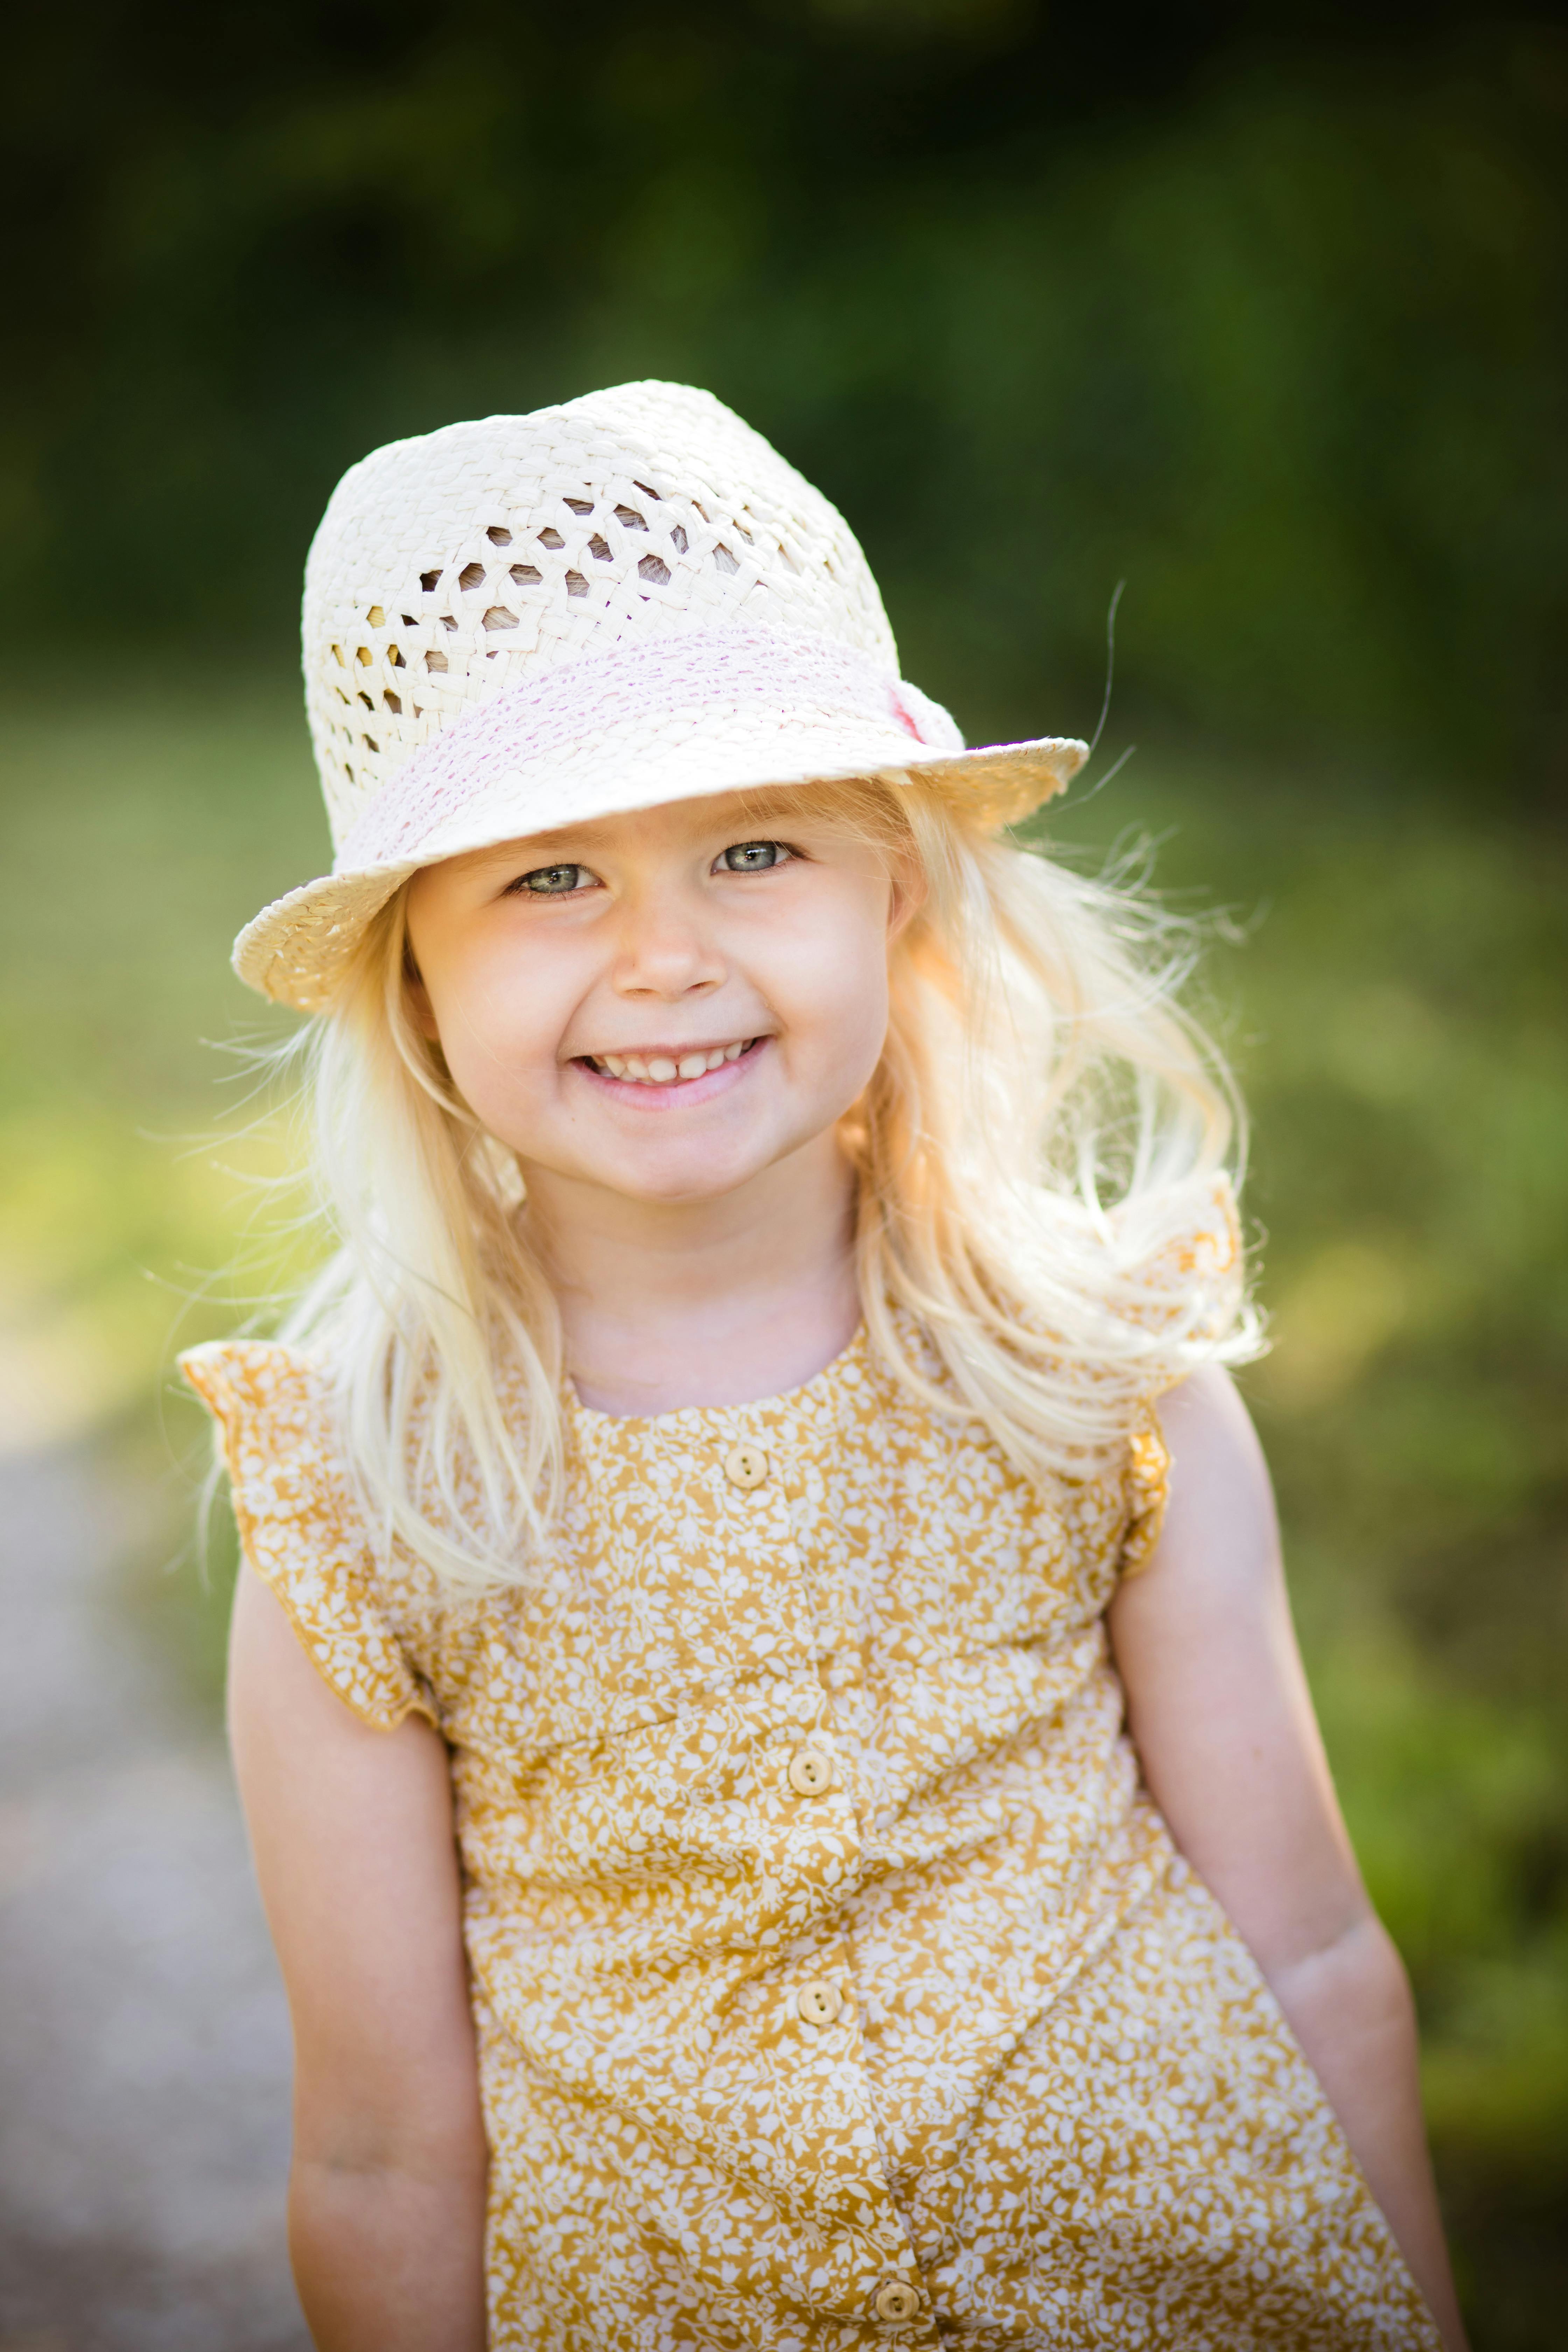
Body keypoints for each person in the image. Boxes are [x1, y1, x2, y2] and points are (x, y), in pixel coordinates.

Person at [183, 382, 1466, 2351]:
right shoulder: (375, 1497)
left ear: (899, 893)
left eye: (754, 848)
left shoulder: (1080, 1369)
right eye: (547, 876)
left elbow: (1309, 1950)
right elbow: (377, 2160)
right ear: (415, 979)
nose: (664, 956)